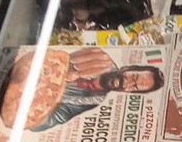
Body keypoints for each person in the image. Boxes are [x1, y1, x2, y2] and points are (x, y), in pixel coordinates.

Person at [22, 48, 164, 131]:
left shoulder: (93, 100)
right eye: (133, 76)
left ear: (130, 92)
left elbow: (58, 117)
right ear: (128, 68)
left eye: (134, 86)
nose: (127, 82)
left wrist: (34, 114)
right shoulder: (100, 59)